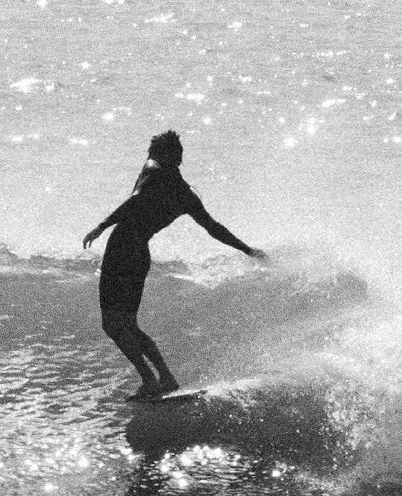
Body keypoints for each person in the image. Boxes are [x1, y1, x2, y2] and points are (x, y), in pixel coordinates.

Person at [82, 130, 265, 397]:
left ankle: (149, 380)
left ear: (164, 155)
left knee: (112, 324)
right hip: (140, 253)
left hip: (122, 248)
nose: (148, 157)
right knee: (130, 324)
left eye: (153, 152)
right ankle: (165, 377)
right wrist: (247, 250)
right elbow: (213, 228)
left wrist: (100, 226)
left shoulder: (152, 170)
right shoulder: (185, 195)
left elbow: (135, 202)